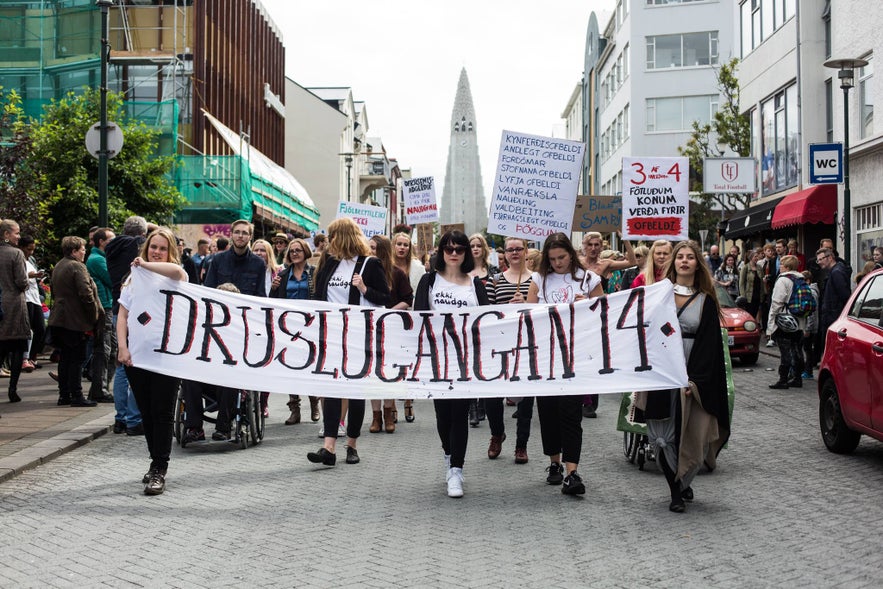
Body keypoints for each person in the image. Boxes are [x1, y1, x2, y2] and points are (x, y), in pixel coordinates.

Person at [645, 240, 729, 513]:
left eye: (689, 257)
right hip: (663, 373)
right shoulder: (658, 295)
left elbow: (710, 347)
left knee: (693, 433)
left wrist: (695, 380)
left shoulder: (705, 300)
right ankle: (675, 490)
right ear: (673, 262)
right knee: (664, 435)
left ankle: (684, 478)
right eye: (679, 256)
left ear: (697, 263)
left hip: (693, 377)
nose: (684, 261)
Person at [306, 217, 390, 467]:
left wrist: (364, 289)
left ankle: (351, 444)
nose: (328, 242)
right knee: (333, 389)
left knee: (355, 391)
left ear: (342, 237)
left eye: (332, 237)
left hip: (357, 336)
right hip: (331, 335)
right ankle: (328, 447)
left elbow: (385, 297)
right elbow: (318, 295)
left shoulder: (369, 264)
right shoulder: (330, 263)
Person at [414, 230, 490, 497]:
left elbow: (487, 321)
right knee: (442, 415)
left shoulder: (475, 285)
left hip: (464, 358)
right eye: (449, 249)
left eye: (460, 249)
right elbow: (418, 318)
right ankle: (448, 454)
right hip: (436, 358)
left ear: (467, 253)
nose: (454, 253)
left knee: (459, 414)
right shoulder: (428, 281)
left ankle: (456, 469)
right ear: (441, 251)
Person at [526, 233, 602, 496]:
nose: (558, 263)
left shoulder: (589, 279)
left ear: (571, 254)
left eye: (562, 257)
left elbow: (604, 311)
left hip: (575, 356)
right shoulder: (539, 280)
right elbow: (528, 315)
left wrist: (590, 305)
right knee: (547, 411)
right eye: (552, 259)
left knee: (571, 413)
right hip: (547, 357)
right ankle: (554, 463)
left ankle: (572, 471)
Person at [117, 228, 188, 495]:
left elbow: (177, 272)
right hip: (137, 356)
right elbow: (123, 315)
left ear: (170, 252)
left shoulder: (174, 277)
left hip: (165, 357)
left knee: (162, 412)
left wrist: (145, 265)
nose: (156, 251)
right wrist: (123, 348)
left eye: (161, 248)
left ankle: (160, 466)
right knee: (146, 413)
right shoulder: (132, 280)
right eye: (152, 247)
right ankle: (154, 459)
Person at [200, 220, 266, 439]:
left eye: (244, 233)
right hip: (218, 325)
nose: (240, 236)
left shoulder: (258, 264)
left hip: (243, 328)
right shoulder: (217, 261)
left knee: (233, 372)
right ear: (231, 235)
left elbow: (259, 298)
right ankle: (193, 427)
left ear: (250, 237)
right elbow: (207, 292)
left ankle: (224, 426)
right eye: (237, 232)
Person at [484, 237, 533, 463]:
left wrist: (526, 302)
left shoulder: (537, 280)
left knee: (526, 398)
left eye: (518, 249)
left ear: (525, 251)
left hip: (528, 344)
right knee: (492, 395)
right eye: (510, 249)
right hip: (501, 344)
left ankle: (521, 445)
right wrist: (507, 309)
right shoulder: (496, 280)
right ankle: (497, 433)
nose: (514, 253)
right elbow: (488, 311)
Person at [106, 216, 153, 435]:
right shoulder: (134, 247)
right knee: (136, 363)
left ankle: (120, 418)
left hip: (119, 308)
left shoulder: (111, 247)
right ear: (142, 235)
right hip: (135, 309)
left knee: (122, 366)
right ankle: (135, 420)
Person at [47, 236, 103, 408]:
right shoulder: (77, 266)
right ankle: (77, 395)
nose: (84, 251)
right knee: (77, 359)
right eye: (81, 249)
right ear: (74, 251)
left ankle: (64, 395)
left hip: (60, 318)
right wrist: (93, 316)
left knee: (65, 358)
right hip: (75, 320)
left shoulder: (60, 265)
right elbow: (85, 294)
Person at [269, 238, 320, 425]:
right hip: (288, 326)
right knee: (291, 366)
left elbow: (320, 297)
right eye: (292, 251)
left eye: (298, 250)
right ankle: (295, 409)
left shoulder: (314, 273)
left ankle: (314, 402)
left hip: (310, 326)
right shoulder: (282, 275)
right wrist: (273, 289)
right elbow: (273, 301)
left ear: (306, 252)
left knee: (311, 366)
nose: (295, 253)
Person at [367, 234, 413, 434]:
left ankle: (388, 412)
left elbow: (408, 299)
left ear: (383, 250)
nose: (369, 251)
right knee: (373, 372)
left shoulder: (397, 273)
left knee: (389, 371)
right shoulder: (364, 272)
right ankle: (376, 416)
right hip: (371, 328)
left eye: (373, 248)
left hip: (392, 327)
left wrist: (391, 312)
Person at [391, 231, 425, 422]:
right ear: (393, 246)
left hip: (411, 320)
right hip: (390, 320)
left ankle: (408, 402)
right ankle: (392, 406)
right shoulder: (386, 267)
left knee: (409, 364)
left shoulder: (418, 269)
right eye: (399, 244)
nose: (402, 247)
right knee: (392, 364)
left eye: (405, 244)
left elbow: (420, 294)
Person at [466, 233, 497, 426]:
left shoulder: (493, 271)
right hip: (468, 326)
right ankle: (472, 408)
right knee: (470, 366)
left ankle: (484, 403)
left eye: (479, 245)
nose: (475, 248)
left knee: (485, 364)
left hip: (489, 325)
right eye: (472, 245)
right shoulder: (462, 271)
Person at [0, 219, 30, 405]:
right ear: (6, 234)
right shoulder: (16, 254)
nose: (19, 236)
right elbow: (21, 281)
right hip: (13, 306)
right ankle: (13, 388)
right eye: (16, 233)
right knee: (18, 348)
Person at [85, 227, 116, 403]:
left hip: (107, 305)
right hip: (104, 307)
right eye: (111, 240)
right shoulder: (98, 259)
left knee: (110, 350)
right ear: (102, 242)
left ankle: (100, 388)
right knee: (104, 350)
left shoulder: (100, 258)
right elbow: (113, 280)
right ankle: (99, 389)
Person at [766, 255, 806, 389]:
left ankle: (783, 379)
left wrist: (770, 325)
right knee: (797, 350)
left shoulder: (783, 280)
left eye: (782, 264)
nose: (780, 266)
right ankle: (798, 377)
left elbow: (777, 303)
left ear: (787, 267)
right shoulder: (801, 278)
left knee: (785, 352)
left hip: (785, 321)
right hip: (799, 321)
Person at [815, 246, 851, 358]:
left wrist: (833, 313)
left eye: (821, 259)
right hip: (831, 315)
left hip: (833, 317)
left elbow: (845, 296)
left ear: (830, 257)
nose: (819, 262)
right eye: (818, 260)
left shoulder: (837, 273)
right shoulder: (833, 272)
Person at [18, 235, 45, 374]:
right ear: (22, 248)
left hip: (34, 297)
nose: (31, 252)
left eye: (33, 249)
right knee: (28, 329)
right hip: (26, 297)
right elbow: (18, 275)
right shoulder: (18, 258)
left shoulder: (31, 260)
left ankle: (32, 357)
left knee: (40, 329)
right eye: (29, 249)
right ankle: (24, 358)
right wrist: (32, 275)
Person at [800, 270, 820, 381]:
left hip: (810, 327)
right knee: (806, 348)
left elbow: (812, 312)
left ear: (808, 280)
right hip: (809, 326)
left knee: (808, 349)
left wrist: (808, 328)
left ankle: (808, 371)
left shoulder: (812, 292)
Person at [738, 248, 764, 320]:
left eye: (757, 256)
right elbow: (741, 283)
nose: (757, 258)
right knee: (749, 315)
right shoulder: (745, 268)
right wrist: (743, 296)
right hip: (749, 296)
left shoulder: (759, 268)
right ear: (751, 257)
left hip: (757, 295)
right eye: (755, 256)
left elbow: (761, 282)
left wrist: (763, 294)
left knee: (755, 314)